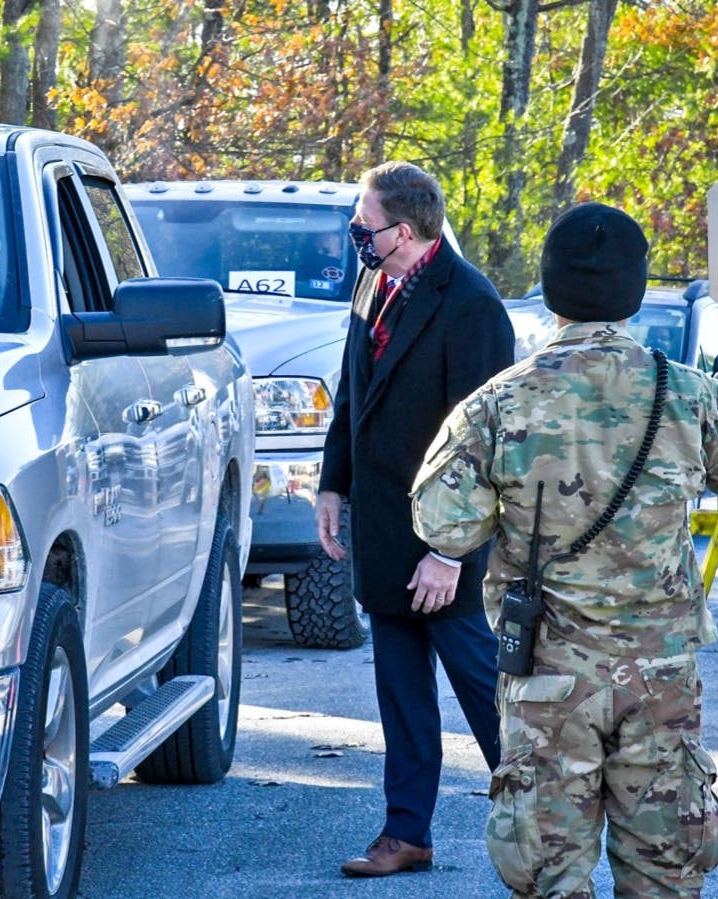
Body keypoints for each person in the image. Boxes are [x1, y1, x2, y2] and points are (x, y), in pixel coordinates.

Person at [410, 202, 718, 897]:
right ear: (635, 290)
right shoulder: (693, 396)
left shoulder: (496, 404)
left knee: (548, 874)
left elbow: (442, 527)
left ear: (549, 289)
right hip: (660, 677)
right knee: (665, 871)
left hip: (547, 675)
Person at [315, 161, 515, 877]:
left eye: (361, 227)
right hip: (382, 531)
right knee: (400, 693)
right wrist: (331, 485)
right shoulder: (374, 282)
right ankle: (406, 833)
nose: (354, 239)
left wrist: (451, 551)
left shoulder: (471, 305)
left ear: (402, 230)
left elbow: (484, 442)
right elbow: (352, 394)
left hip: (442, 544)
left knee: (484, 691)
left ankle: (542, 821)